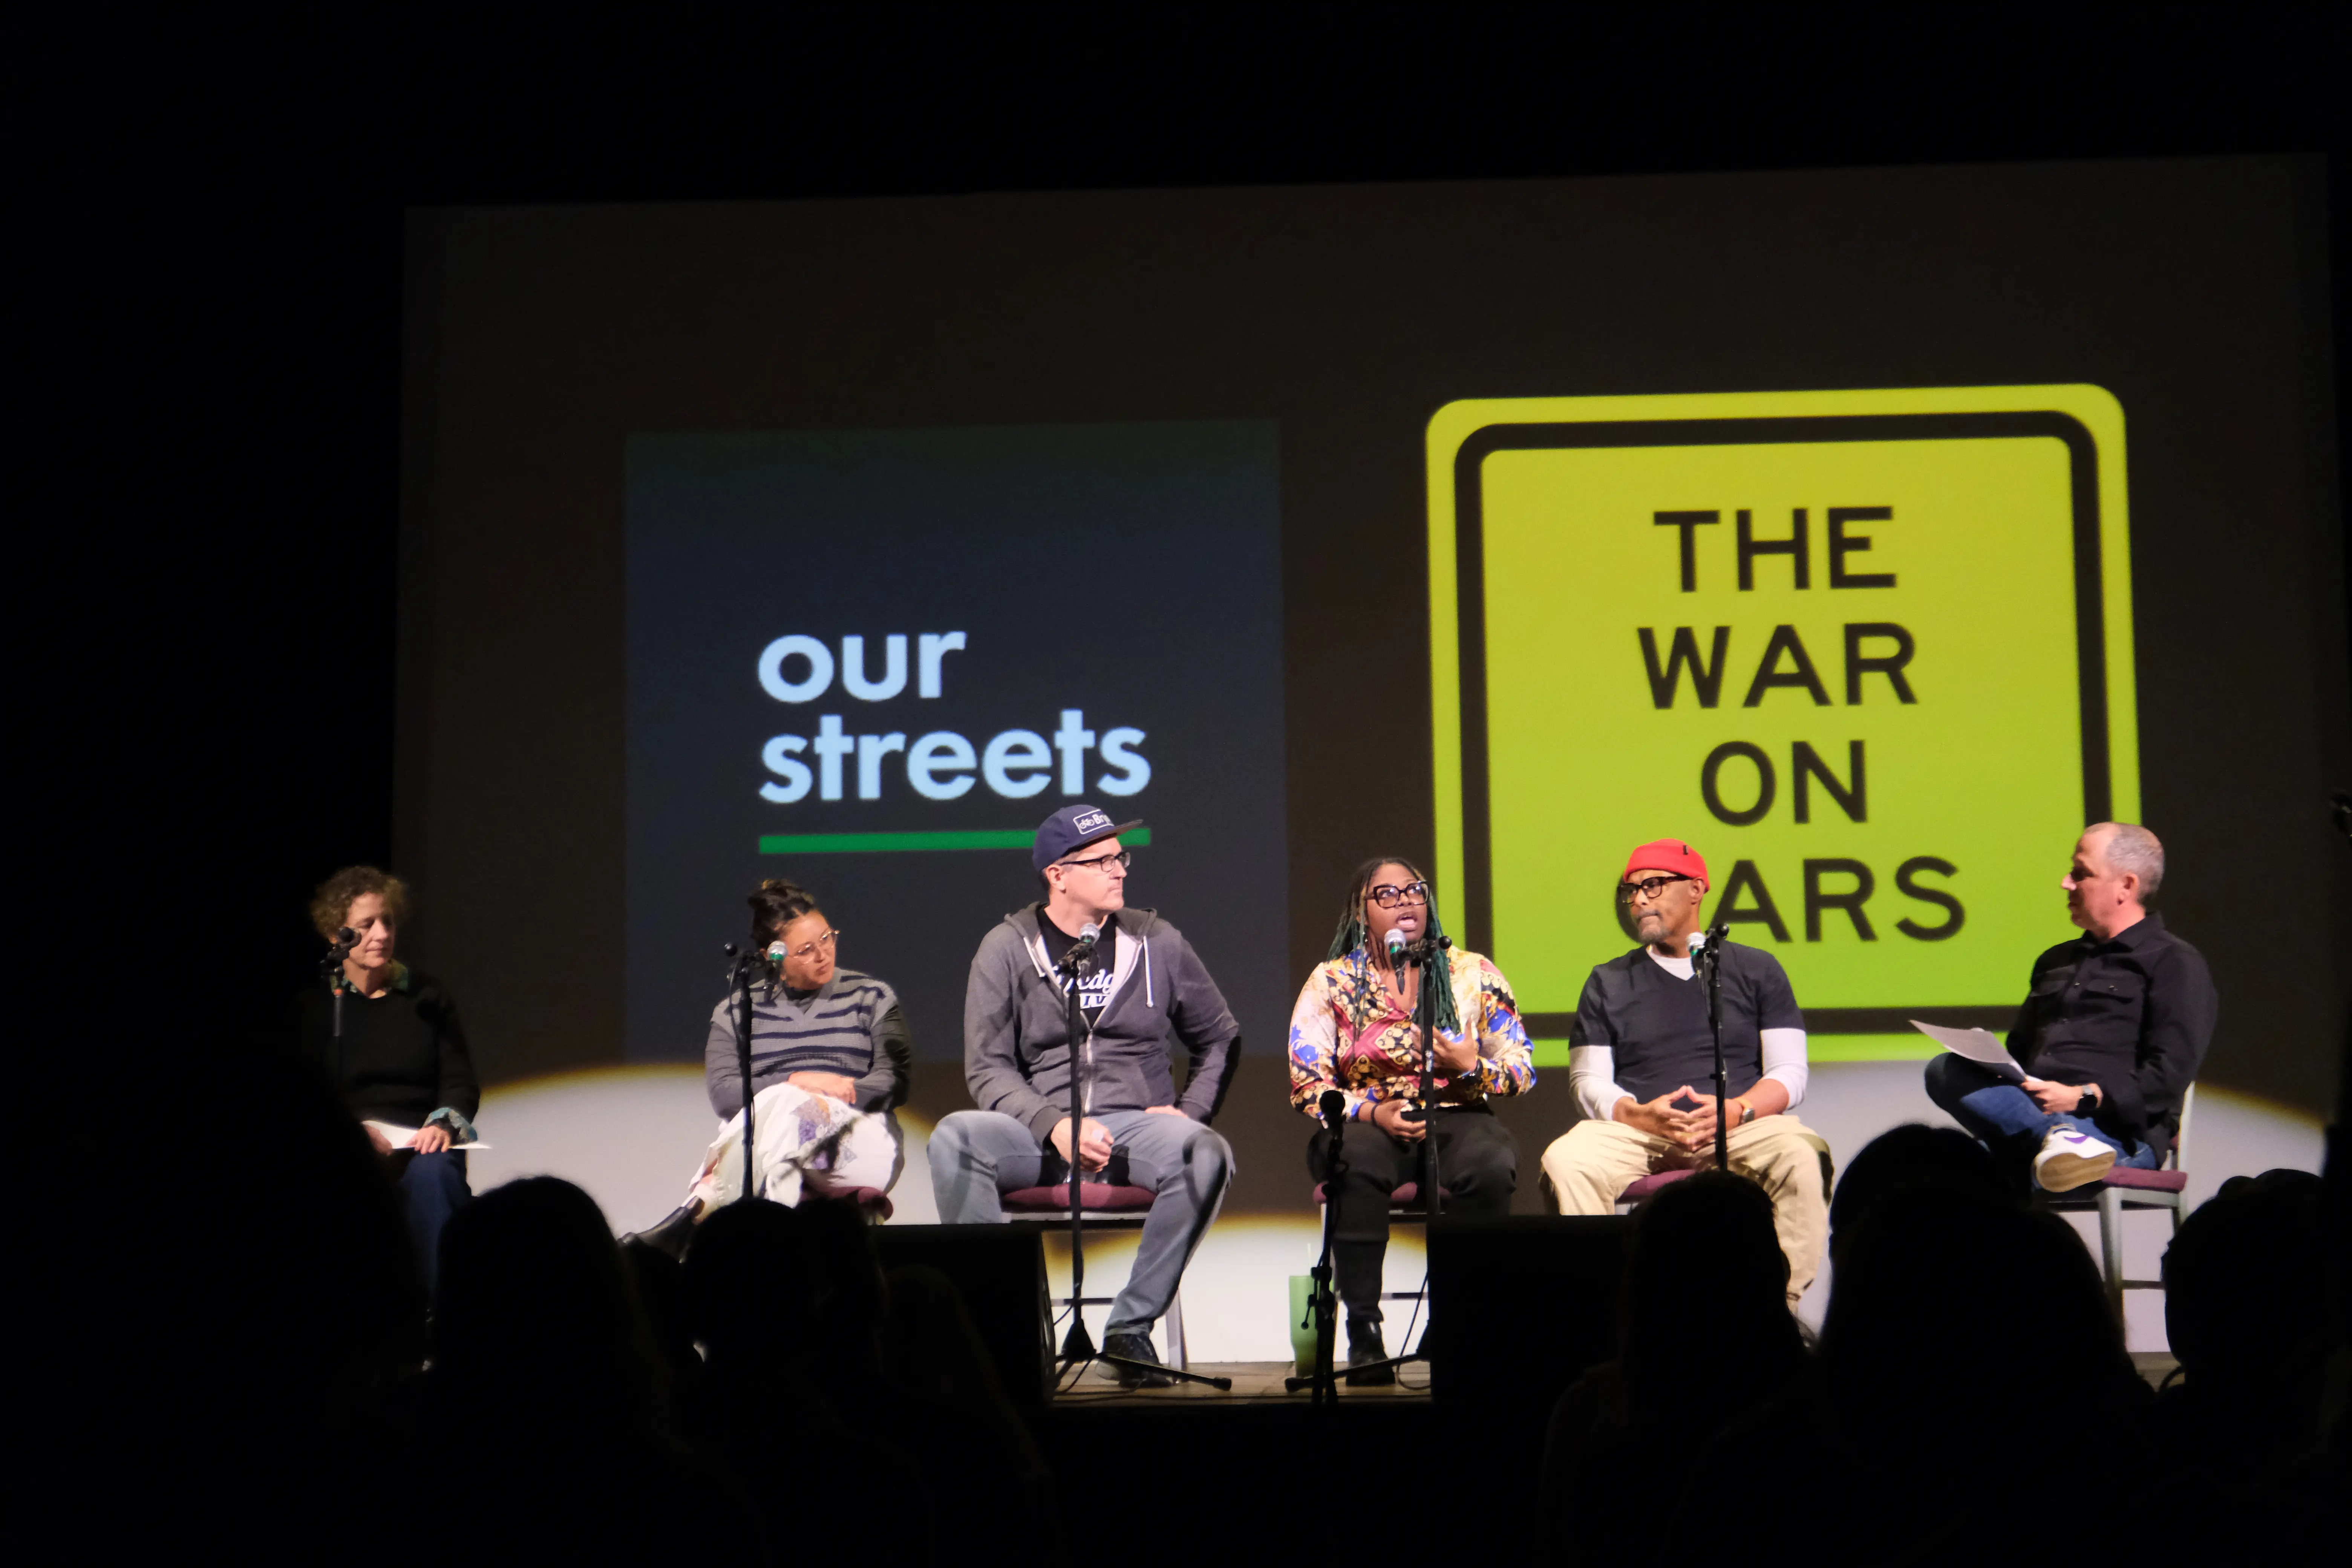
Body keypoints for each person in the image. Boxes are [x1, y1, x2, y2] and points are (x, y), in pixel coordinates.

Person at [929, 804, 1240, 1386]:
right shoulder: (1006, 947)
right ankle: (1001, 1330)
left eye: (1121, 856)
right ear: (1058, 873)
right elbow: (988, 1066)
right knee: (955, 1137)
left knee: (1207, 1152)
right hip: (1039, 1129)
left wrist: (1190, 1112)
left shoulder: (1158, 940)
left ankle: (1129, 1329)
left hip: (1133, 1126)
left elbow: (1220, 1036)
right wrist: (1053, 1123)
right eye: (1103, 860)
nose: (1121, 869)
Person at [1537, 839, 1829, 1305]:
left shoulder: (1756, 969)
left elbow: (1790, 1071)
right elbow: (1586, 1080)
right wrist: (1642, 1116)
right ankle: (1601, 1312)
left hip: (1736, 1126)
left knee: (1803, 1153)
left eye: (1652, 885)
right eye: (1629, 890)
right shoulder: (1608, 980)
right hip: (1642, 1131)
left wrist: (1738, 1109)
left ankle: (1780, 1309)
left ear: (1696, 889)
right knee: (1566, 1159)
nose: (1639, 900)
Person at [1286, 856, 1534, 1379]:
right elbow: (1308, 1083)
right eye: (1387, 895)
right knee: (1354, 1161)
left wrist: (1472, 1067)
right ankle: (1365, 1330)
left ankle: (1458, 1318)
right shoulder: (1332, 980)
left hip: (1458, 1112)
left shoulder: (1473, 973)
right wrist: (1373, 1111)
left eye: (1414, 891)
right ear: (1361, 912)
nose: (1405, 902)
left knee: (1491, 1164)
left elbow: (1521, 1070)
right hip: (1369, 1122)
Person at [1923, 822, 2214, 1193]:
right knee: (1944, 1070)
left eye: (2081, 873)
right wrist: (1992, 1062)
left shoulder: (2174, 962)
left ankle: (2068, 1140)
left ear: (2126, 885)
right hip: (2034, 1117)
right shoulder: (2054, 961)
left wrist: (2082, 1095)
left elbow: (2168, 1075)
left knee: (1971, 1176)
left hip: (2118, 1136)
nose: (2066, 882)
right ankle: (2056, 1137)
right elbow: (2020, 1054)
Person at [629, 878, 911, 1254]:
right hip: (780, 1138)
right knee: (780, 1154)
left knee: (783, 1107)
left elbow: (897, 1080)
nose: (824, 954)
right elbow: (725, 1094)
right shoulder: (735, 1011)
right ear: (771, 955)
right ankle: (775, 1265)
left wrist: (842, 1090)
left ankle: (697, 1207)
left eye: (827, 938)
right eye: (807, 949)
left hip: (859, 1140)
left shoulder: (871, 996)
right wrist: (799, 1080)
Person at [296, 865, 480, 1292]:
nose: (381, 933)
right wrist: (350, 1133)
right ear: (335, 934)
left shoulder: (427, 998)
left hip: (420, 1142)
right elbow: (305, 1095)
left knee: (434, 1177)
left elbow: (460, 1080)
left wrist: (441, 1123)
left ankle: (440, 1317)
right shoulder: (317, 1008)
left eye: (388, 921)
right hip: (350, 1144)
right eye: (366, 924)